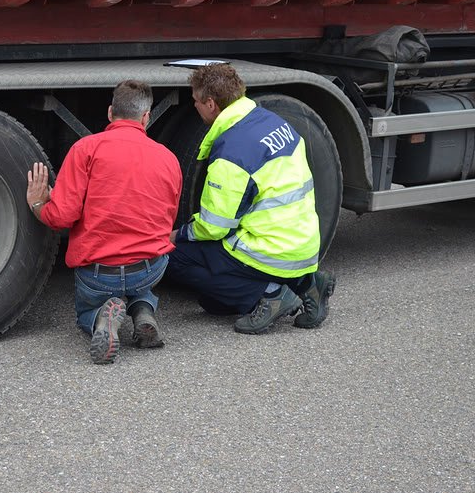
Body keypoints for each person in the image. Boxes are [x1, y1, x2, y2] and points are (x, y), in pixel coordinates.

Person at [166, 63, 336, 334]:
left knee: (174, 257)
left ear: (210, 104)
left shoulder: (233, 154)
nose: (195, 106)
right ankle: (307, 284)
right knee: (213, 303)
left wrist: (178, 235)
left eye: (195, 101)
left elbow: (214, 227)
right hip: (302, 244)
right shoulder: (274, 122)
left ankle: (269, 295)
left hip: (269, 249)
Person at [26, 80, 182, 364]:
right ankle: (144, 311)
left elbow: (62, 217)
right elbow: (165, 220)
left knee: (87, 309)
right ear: (146, 117)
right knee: (142, 277)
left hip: (99, 275)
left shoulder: (86, 149)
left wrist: (39, 203)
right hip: (149, 268)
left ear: (110, 112)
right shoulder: (168, 158)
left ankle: (101, 316)